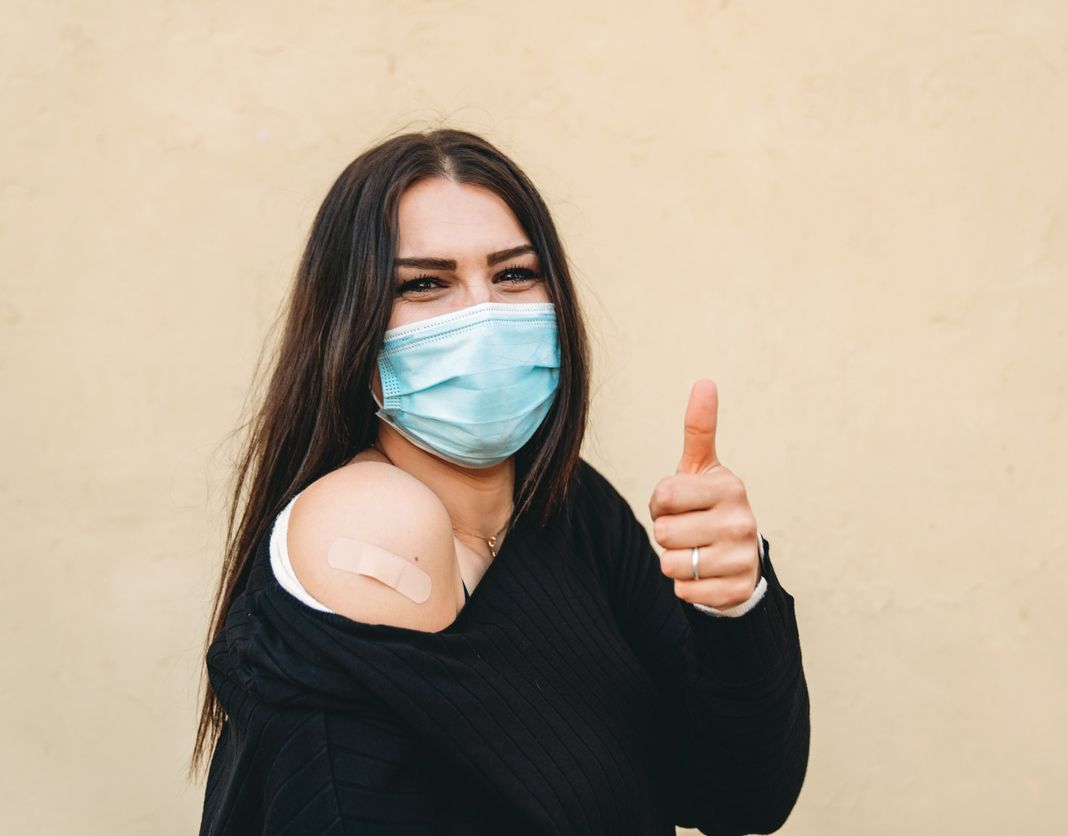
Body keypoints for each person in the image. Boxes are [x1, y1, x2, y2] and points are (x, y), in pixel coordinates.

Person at [191, 129, 810, 835]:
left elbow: (741, 798)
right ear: (350, 328)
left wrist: (733, 604)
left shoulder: (571, 507)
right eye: (424, 284)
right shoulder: (377, 520)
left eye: (515, 274)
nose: (481, 316)